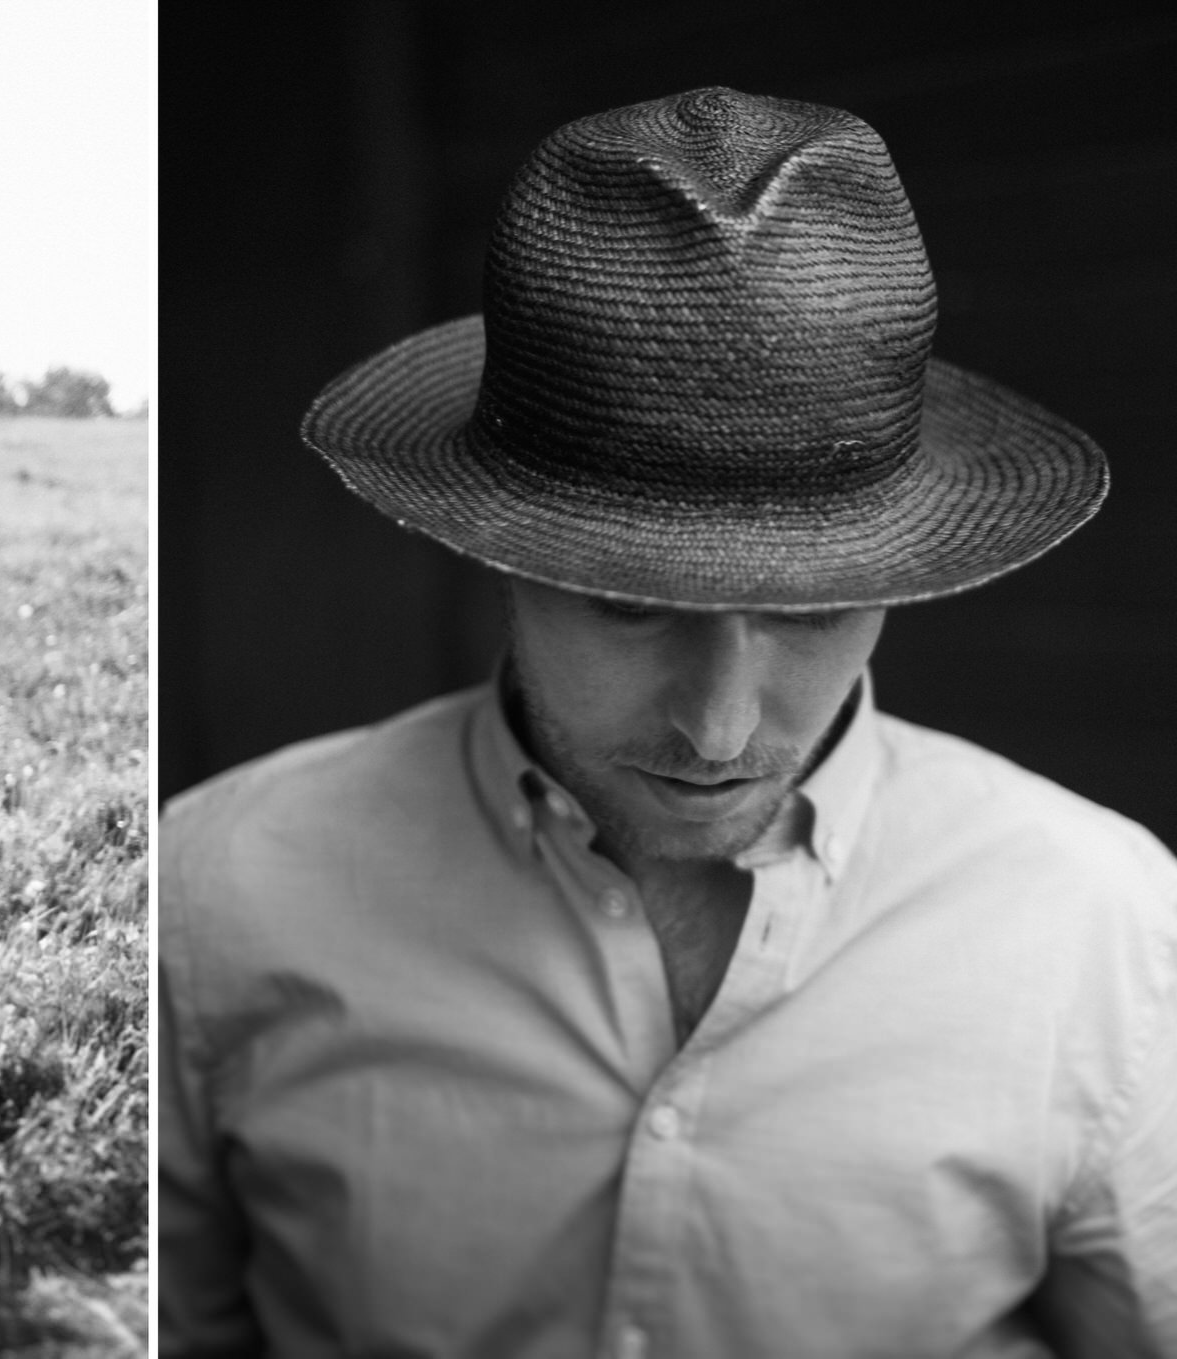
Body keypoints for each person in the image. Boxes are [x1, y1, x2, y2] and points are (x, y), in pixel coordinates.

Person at [159, 88, 1177, 1357]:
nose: (716, 727)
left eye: (809, 614)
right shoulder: (212, 897)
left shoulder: (1111, 925)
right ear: (495, 550)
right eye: (629, 608)